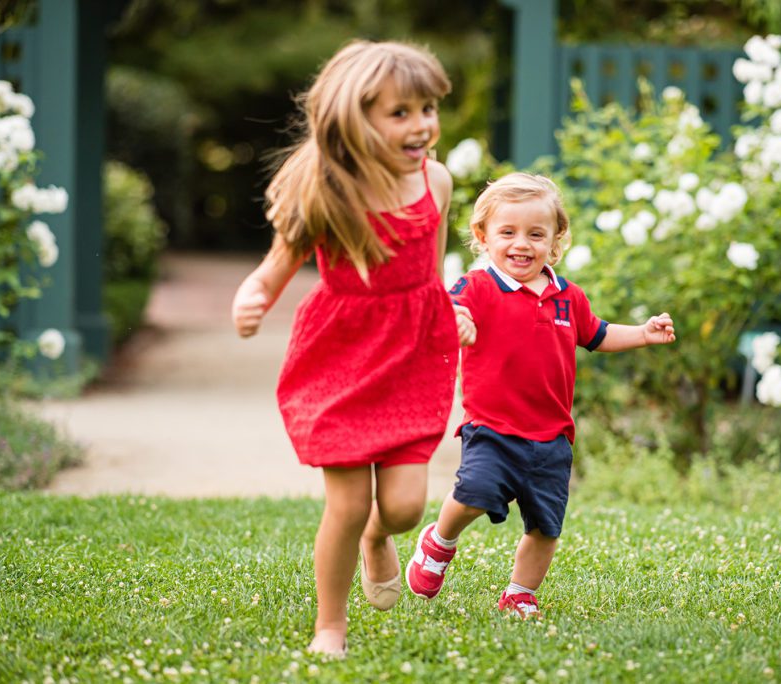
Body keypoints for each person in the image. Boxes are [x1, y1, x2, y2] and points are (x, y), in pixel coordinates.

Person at [231, 40, 473, 656]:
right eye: (401, 112)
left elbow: (433, 266)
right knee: (346, 502)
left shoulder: (435, 182)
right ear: (353, 118)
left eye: (427, 108)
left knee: (403, 507)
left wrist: (453, 307)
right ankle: (330, 626)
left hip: (414, 355)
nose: (421, 124)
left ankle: (377, 537)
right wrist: (253, 296)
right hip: (341, 359)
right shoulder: (325, 193)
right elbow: (274, 268)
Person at [405, 173, 676, 617]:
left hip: (552, 438)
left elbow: (599, 334)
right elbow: (446, 308)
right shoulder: (477, 287)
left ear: (555, 240)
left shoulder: (568, 297)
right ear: (483, 236)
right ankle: (439, 541)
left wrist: (643, 334)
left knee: (546, 527)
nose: (522, 244)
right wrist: (455, 320)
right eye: (507, 232)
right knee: (474, 492)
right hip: (492, 426)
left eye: (536, 234)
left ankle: (520, 592)